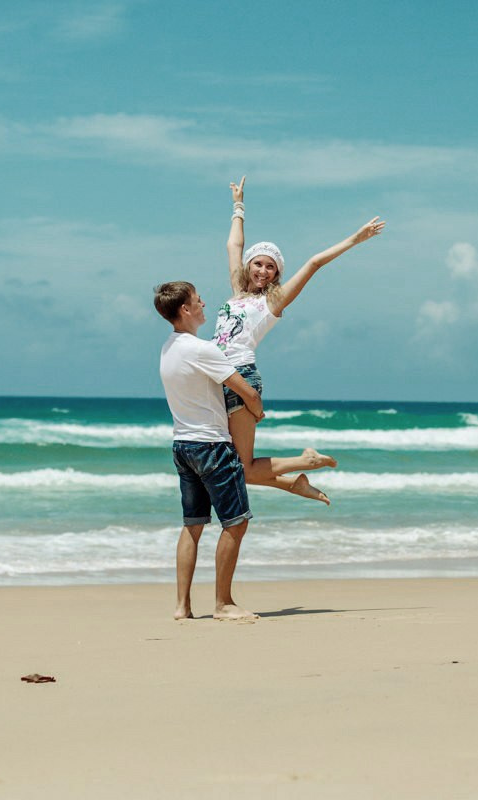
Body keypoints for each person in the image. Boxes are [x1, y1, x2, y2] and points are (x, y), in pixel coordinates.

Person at [218, 176, 385, 504]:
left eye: (271, 267)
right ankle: (295, 483)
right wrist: (239, 205)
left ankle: (306, 461)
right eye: (258, 263)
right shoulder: (237, 294)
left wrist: (356, 238)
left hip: (240, 377)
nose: (263, 270)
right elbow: (233, 246)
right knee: (232, 467)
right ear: (249, 266)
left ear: (276, 276)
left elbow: (314, 263)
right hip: (218, 378)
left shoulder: (272, 303)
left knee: (244, 469)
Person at [154, 280, 265, 621]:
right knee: (235, 523)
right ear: (185, 310)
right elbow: (244, 390)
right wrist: (258, 411)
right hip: (212, 446)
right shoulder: (202, 349)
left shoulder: (168, 348)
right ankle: (223, 604)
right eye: (197, 299)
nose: (204, 302)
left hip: (183, 446)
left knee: (193, 525)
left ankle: (182, 606)